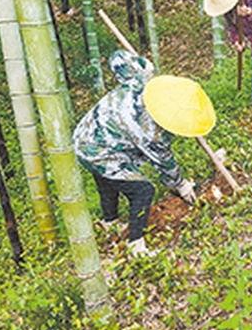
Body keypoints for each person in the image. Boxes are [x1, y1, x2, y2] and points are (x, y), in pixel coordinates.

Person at [73, 50, 215, 258]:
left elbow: (118, 58)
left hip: (83, 136)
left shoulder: (141, 81)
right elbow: (165, 164)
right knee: (142, 190)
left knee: (107, 181)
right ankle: (136, 246)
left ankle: (110, 223)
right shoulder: (152, 133)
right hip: (99, 150)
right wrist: (180, 184)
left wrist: (143, 66)